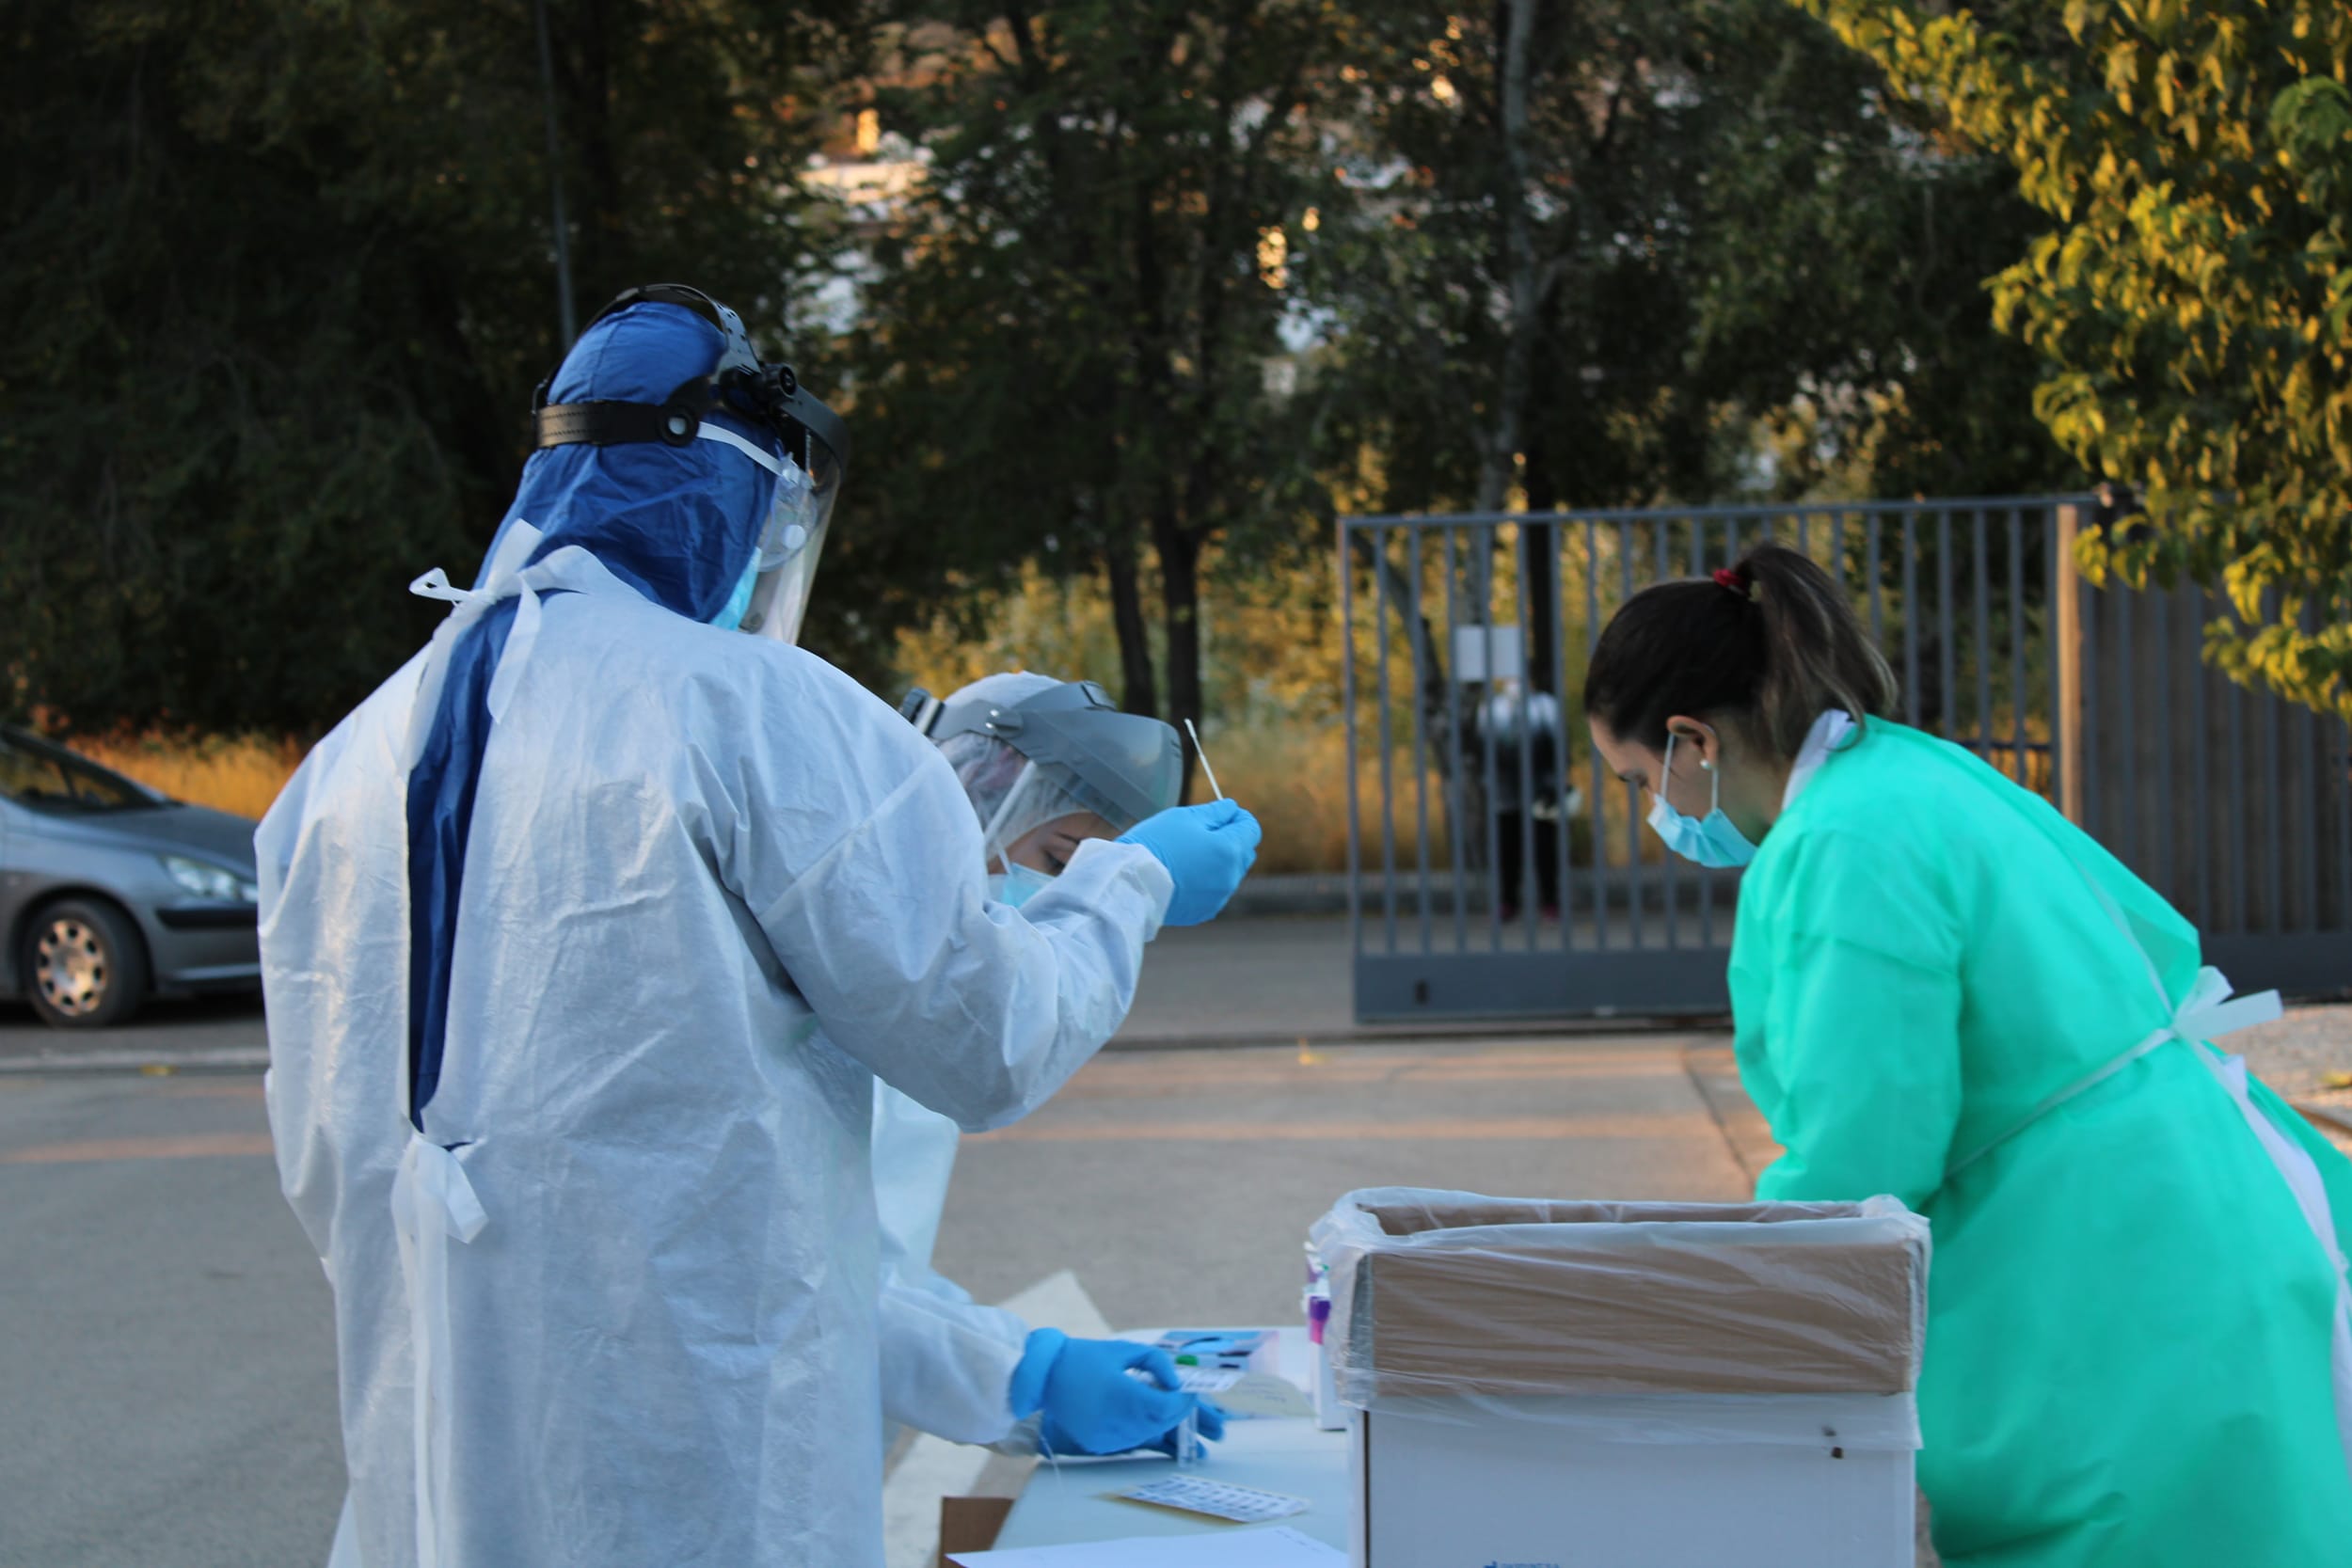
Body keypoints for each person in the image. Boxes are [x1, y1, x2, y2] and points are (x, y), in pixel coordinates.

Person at [257, 287, 1262, 1568]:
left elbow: (560, 1198)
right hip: (699, 1498)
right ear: (744, 497)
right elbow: (985, 1042)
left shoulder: (333, 779)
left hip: (427, 1502)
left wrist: (1017, 1370)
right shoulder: (757, 715)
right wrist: (1131, 885)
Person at [1581, 544, 2352, 1566]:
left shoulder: (1838, 843)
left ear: (1693, 739)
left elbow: (1862, 1156)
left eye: (1642, 778)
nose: (1659, 814)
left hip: (2111, 1281)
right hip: (2189, 1220)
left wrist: (1703, 1319)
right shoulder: (1904, 769)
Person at [872, 671, 1221, 1459]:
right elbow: (800, 1292)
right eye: (1062, 858)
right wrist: (1028, 1375)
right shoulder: (857, 997)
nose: (1068, 897)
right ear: (972, 809)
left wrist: (1026, 1401)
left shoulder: (913, 976)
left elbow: (861, 1272)